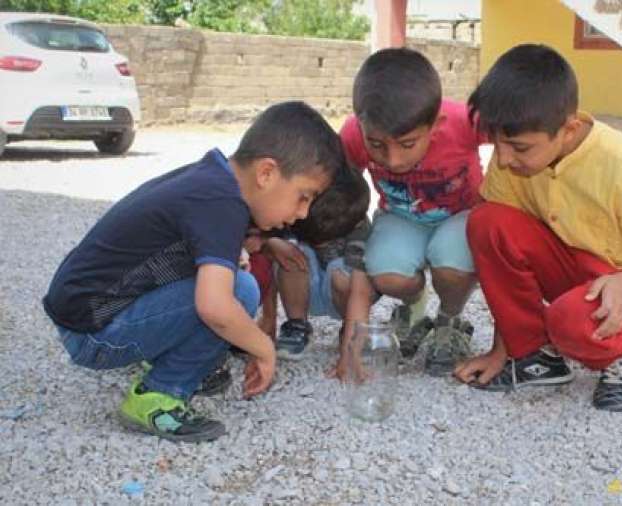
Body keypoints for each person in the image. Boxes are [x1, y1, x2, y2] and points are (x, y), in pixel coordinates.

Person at [42, 101, 344, 441]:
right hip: (93, 334)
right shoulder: (221, 203)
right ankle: (159, 395)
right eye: (303, 196)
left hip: (85, 316)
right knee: (238, 292)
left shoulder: (212, 180)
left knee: (228, 279)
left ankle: (171, 358)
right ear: (266, 173)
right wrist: (264, 348)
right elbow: (214, 308)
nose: (303, 213)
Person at [455, 44, 622, 412]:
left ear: (569, 130)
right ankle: (534, 356)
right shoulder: (512, 161)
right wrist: (503, 350)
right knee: (487, 221)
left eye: (518, 147)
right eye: (496, 144)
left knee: (570, 322)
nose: (503, 159)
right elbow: (497, 250)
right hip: (577, 275)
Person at [340, 47, 485, 376]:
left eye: (407, 144)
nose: (393, 160)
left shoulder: (464, 122)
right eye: (376, 144)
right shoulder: (352, 134)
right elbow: (343, 185)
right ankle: (415, 312)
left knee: (452, 262)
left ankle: (449, 322)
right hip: (400, 216)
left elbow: (513, 138)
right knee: (387, 274)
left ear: (437, 124)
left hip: (460, 214)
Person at [269, 167, 375, 372]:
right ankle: (297, 325)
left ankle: (351, 328)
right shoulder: (297, 211)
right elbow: (264, 246)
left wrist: (349, 350)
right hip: (307, 289)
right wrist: (272, 243)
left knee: (343, 272)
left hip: (344, 294)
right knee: (290, 253)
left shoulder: (358, 227)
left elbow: (360, 290)